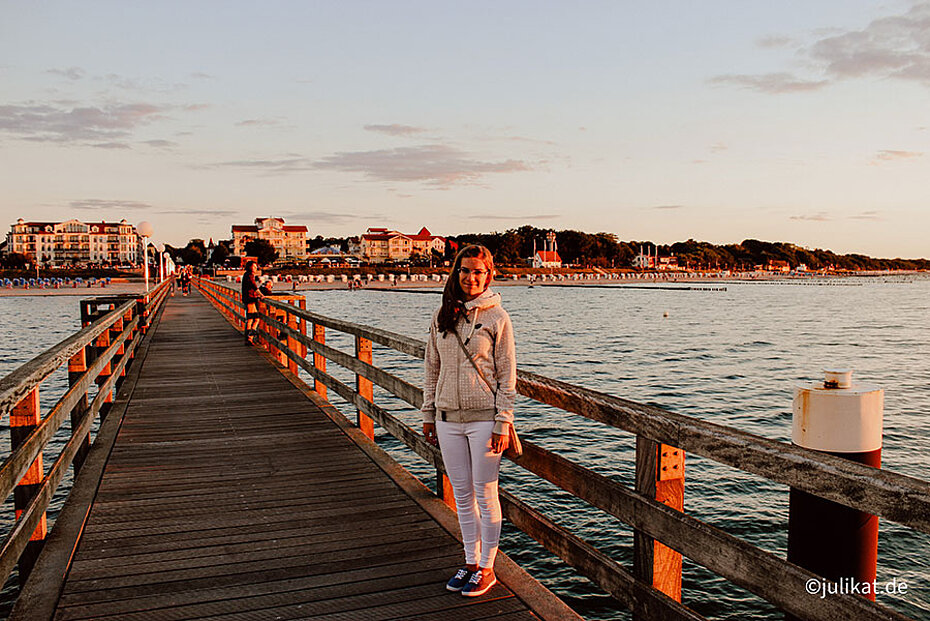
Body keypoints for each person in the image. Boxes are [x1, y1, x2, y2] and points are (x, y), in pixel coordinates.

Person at [421, 245, 516, 597]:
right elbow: (432, 368)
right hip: (447, 419)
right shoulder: (441, 315)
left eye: (478, 271)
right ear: (455, 273)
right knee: (461, 495)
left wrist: (503, 421)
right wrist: (429, 414)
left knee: (485, 494)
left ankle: (488, 567)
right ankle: (470, 562)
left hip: (484, 420)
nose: (471, 277)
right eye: (465, 270)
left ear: (488, 275)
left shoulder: (497, 318)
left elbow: (507, 375)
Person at [241, 261, 264, 345]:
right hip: (249, 299)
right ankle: (249, 338)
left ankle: (250, 337)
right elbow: (254, 286)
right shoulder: (249, 275)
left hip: (249, 298)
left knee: (254, 318)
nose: (256, 268)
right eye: (254, 267)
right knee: (252, 319)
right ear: (250, 267)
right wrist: (262, 295)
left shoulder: (247, 275)